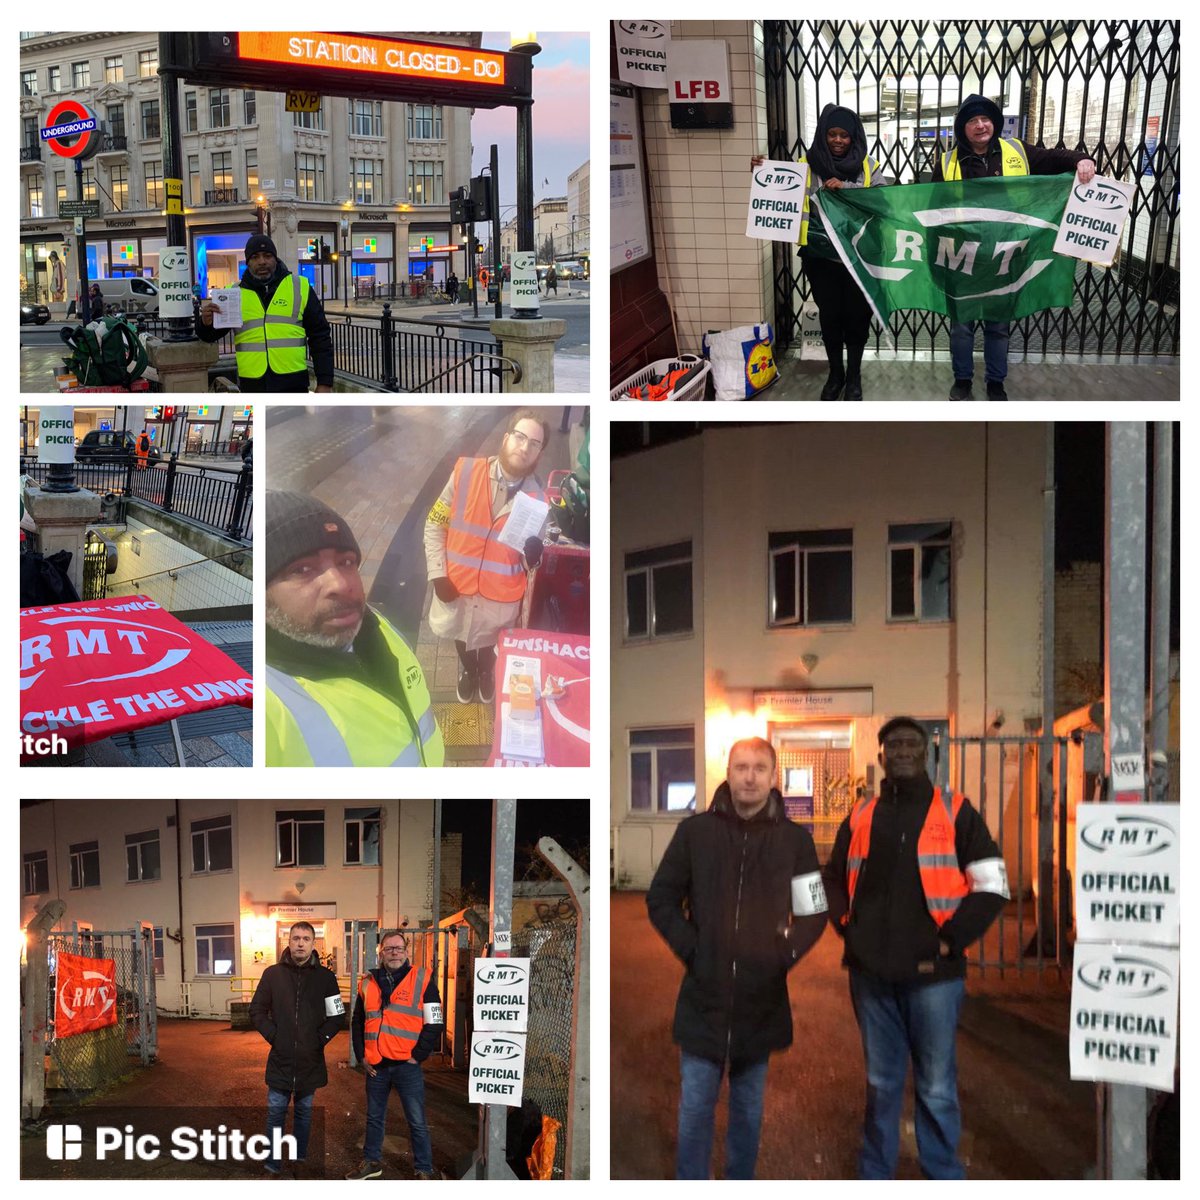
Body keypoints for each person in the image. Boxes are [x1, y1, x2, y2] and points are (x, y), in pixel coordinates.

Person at [823, 716, 1009, 1179]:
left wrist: (951, 940)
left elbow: (992, 884)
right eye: (894, 744)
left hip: (935, 976)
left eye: (912, 744)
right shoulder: (862, 813)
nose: (903, 751)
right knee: (881, 1083)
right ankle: (876, 1173)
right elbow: (831, 877)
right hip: (871, 975)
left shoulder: (956, 810)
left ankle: (942, 1174)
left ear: (925, 753)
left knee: (937, 1088)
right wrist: (845, 922)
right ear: (881, 754)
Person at [646, 737, 827, 1179]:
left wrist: (782, 955)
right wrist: (693, 949)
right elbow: (662, 898)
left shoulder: (794, 841)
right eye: (741, 766)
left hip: (759, 1002)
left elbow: (814, 910)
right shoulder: (696, 833)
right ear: (727, 773)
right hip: (703, 999)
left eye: (759, 768)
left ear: (773, 777)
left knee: (747, 1112)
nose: (749, 776)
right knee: (694, 1112)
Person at [933, 94, 1096, 401]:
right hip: (962, 258)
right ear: (962, 128)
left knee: (998, 326)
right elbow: (934, 211)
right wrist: (936, 260)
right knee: (961, 328)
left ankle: (996, 382)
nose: (980, 125)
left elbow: (1054, 159)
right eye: (972, 121)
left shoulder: (1017, 151)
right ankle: (963, 381)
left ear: (994, 122)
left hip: (1006, 255)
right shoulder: (947, 162)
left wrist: (1081, 161)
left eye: (985, 119)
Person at [265, 490, 444, 767]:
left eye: (346, 562)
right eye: (302, 570)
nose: (339, 584)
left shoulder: (376, 625)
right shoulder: (269, 705)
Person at [753, 104, 884, 400]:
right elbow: (780, 187)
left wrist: (848, 190)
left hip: (857, 259)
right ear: (823, 135)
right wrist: (761, 171)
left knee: (857, 318)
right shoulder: (805, 163)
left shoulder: (868, 166)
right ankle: (835, 375)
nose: (837, 140)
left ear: (854, 138)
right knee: (830, 316)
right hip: (820, 258)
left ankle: (854, 377)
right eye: (831, 134)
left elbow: (882, 203)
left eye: (844, 136)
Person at [424, 411, 548, 705]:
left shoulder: (538, 502)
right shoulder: (466, 473)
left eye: (534, 443)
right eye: (520, 437)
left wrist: (533, 558)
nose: (524, 447)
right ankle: (469, 671)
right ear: (506, 438)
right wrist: (437, 572)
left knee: (490, 643)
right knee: (462, 634)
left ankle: (485, 673)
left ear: (539, 453)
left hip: (500, 598)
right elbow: (434, 523)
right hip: (458, 587)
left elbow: (529, 563)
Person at [345, 930, 444, 1180]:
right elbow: (357, 1022)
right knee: (374, 1118)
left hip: (407, 1065)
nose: (394, 953)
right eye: (389, 949)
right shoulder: (367, 983)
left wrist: (418, 1055)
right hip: (376, 1065)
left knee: (417, 1121)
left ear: (407, 951)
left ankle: (423, 1169)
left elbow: (435, 1022)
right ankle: (371, 1162)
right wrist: (361, 1055)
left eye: (399, 948)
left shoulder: (423, 979)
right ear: (381, 953)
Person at [249, 921, 345, 1176]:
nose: (300, 943)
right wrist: (275, 1036)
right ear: (288, 942)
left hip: (309, 1060)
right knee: (275, 1114)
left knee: (303, 1113)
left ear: (314, 944)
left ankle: (299, 1157)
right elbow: (256, 1010)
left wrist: (319, 1039)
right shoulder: (272, 974)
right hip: (280, 1059)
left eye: (305, 938)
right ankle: (272, 1162)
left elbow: (337, 1016)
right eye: (295, 938)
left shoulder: (326, 978)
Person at [196, 234, 334, 393]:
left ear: (275, 258)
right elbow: (210, 335)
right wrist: (205, 323)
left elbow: (320, 337)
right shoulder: (233, 293)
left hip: (293, 382)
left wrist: (325, 382)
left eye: (267, 256)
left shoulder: (300, 286)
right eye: (255, 257)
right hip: (253, 384)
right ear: (248, 262)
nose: (262, 261)